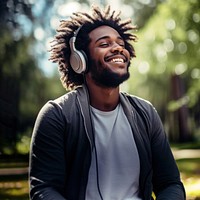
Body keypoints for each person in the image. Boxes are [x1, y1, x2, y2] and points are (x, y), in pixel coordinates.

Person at [29, 5, 186, 200]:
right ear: (80, 60)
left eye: (121, 43)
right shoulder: (57, 115)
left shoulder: (146, 112)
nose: (118, 47)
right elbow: (44, 190)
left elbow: (170, 184)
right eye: (104, 44)